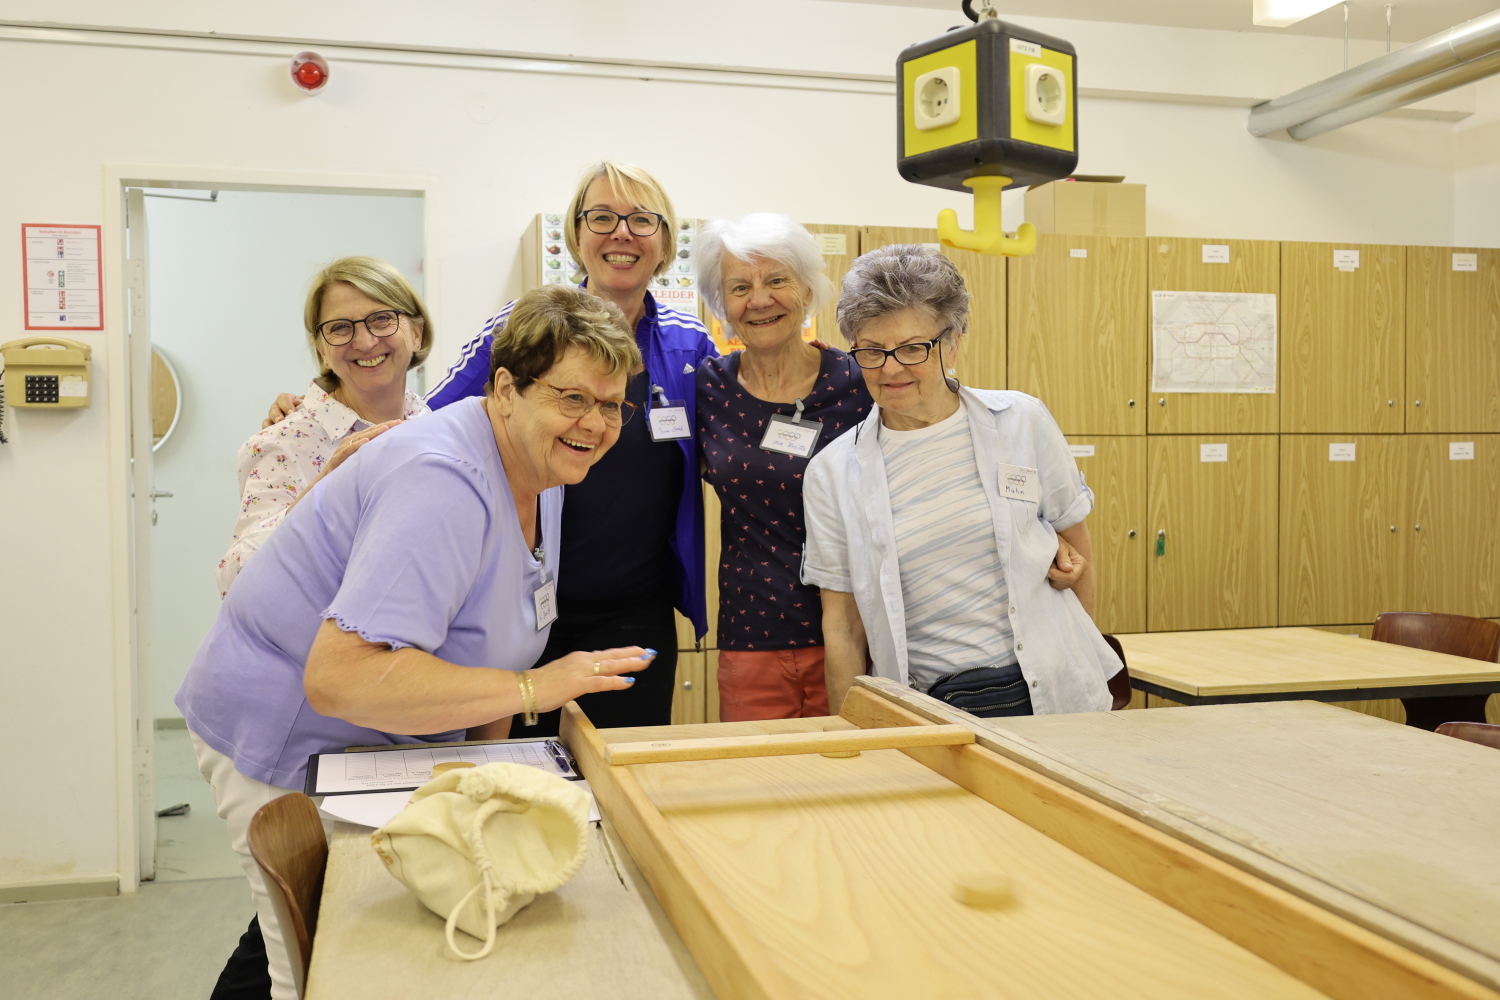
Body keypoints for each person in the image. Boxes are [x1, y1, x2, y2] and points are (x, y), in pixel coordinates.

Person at [178, 285, 655, 1000]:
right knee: (317, 965)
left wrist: (488, 770)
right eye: (573, 398)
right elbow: (338, 679)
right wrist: (535, 691)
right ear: (505, 389)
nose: (595, 423)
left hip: (380, 740)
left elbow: (494, 638)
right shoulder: (443, 479)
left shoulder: (544, 467)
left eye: (611, 404)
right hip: (282, 730)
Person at [262, 162, 715, 733]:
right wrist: (323, 403)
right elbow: (427, 418)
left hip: (634, 607)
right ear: (576, 236)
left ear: (667, 242)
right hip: (518, 603)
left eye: (641, 220)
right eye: (602, 217)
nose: (621, 232)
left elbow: (746, 413)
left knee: (624, 780)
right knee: (517, 782)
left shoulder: (690, 343)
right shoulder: (526, 325)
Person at [801, 244, 1122, 717]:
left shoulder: (1021, 421)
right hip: (932, 706)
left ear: (952, 342)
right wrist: (856, 736)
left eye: (913, 348)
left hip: (1053, 691)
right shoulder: (831, 472)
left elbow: (1077, 552)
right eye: (871, 351)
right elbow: (844, 628)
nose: (891, 369)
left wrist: (1080, 670)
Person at [693, 214, 871, 720]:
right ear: (722, 304)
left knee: (854, 783)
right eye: (740, 286)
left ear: (808, 290)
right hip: (752, 633)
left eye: (777, 280)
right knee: (757, 784)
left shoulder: (859, 384)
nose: (759, 299)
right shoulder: (710, 388)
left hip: (855, 629)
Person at [216, 257, 432, 597]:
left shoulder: (434, 427)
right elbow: (235, 580)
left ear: (417, 333)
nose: (364, 341)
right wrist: (321, 496)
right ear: (322, 349)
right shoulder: (283, 443)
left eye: (381, 319)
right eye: (340, 328)